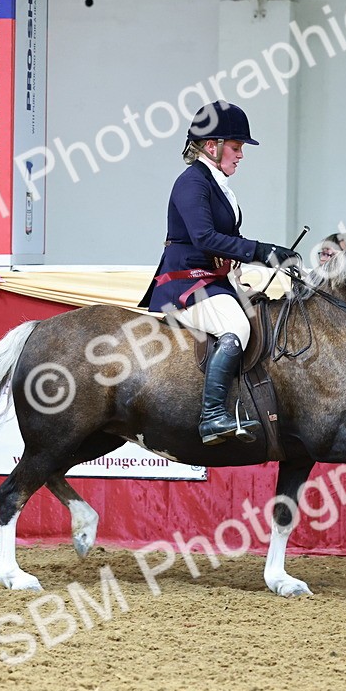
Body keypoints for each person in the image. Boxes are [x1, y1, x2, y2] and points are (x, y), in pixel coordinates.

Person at [138, 101, 298, 445]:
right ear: (212, 146)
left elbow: (228, 240)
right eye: (236, 147)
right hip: (187, 282)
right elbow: (204, 238)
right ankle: (212, 416)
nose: (241, 155)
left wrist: (266, 259)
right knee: (236, 326)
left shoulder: (216, 183)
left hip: (215, 280)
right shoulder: (191, 183)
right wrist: (261, 251)